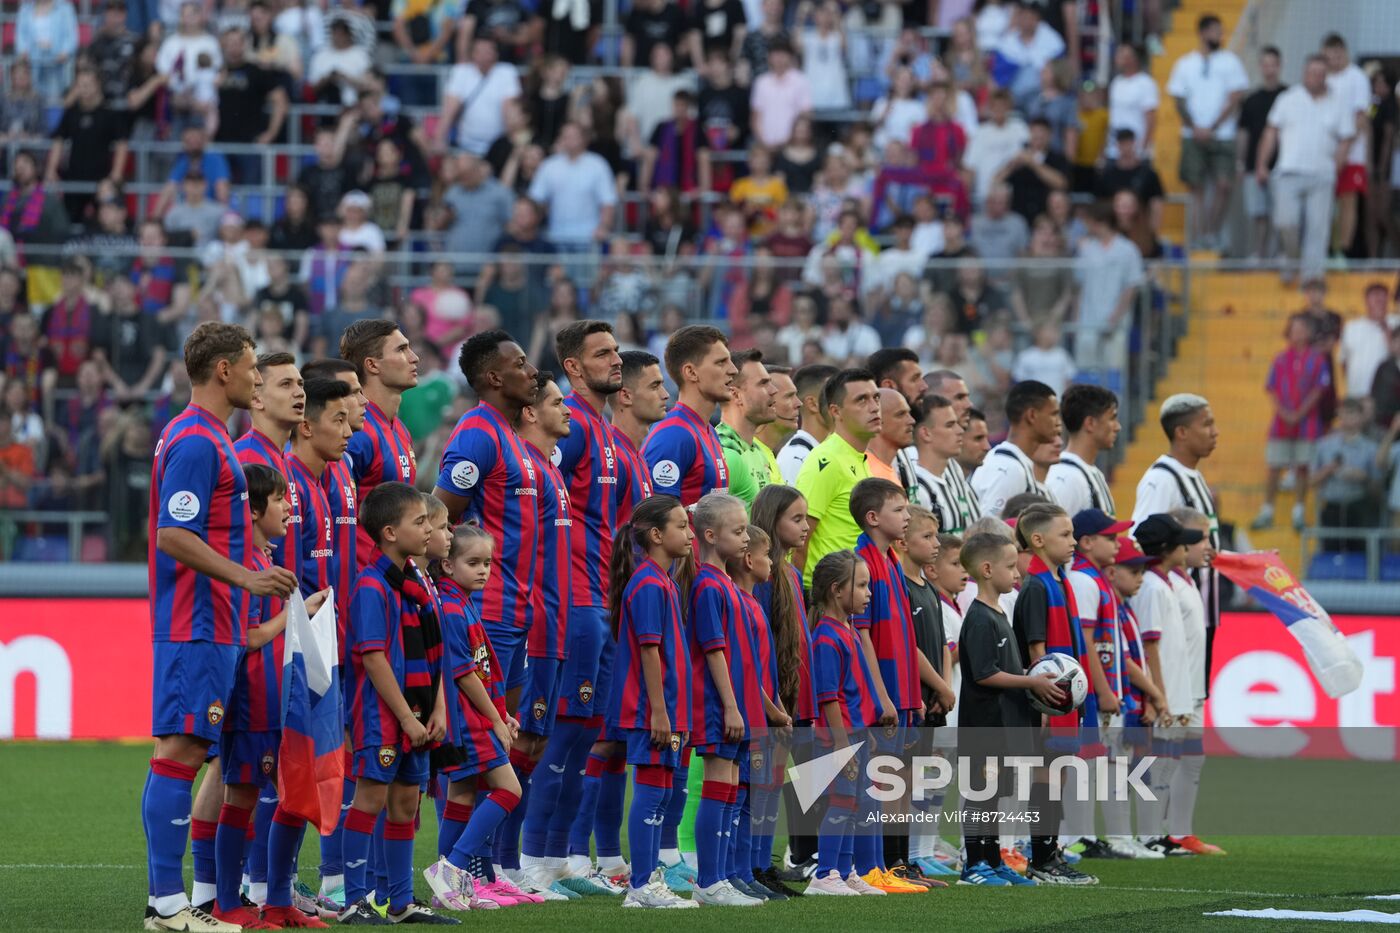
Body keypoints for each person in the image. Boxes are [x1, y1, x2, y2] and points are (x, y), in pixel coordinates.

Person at [143, 322, 297, 932]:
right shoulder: (196, 441)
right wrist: (247, 578)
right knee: (179, 754)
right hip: (197, 622)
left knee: (188, 753)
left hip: (216, 625)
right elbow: (172, 535)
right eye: (254, 367)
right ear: (224, 370)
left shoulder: (208, 436)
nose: (258, 378)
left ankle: (180, 901)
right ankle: (166, 904)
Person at [512, 321, 625, 893]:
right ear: (574, 367)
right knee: (561, 733)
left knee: (586, 734)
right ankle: (531, 856)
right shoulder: (573, 425)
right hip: (573, 600)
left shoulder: (602, 427)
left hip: (599, 598)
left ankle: (558, 858)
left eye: (616, 350)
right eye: (602, 353)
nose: (616, 360)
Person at [214, 464, 330, 928]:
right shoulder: (244, 565)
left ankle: (279, 900)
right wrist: (296, 611)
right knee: (241, 798)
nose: (288, 507)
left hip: (280, 699)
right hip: (252, 702)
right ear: (253, 509)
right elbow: (247, 637)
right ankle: (226, 903)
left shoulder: (265, 559)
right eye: (280, 500)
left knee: (296, 792)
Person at [339, 482, 455, 925]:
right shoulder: (371, 586)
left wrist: (438, 709)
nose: (429, 530)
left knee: (406, 804)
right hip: (383, 717)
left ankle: (401, 902)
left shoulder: (417, 583)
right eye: (420, 522)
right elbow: (373, 659)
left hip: (421, 716)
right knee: (369, 800)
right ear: (389, 532)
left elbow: (436, 653)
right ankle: (354, 901)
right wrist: (405, 718)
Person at [434, 329, 541, 714]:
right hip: (487, 608)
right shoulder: (477, 433)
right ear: (494, 378)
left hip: (517, 608)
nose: (533, 371)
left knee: (507, 731)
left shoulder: (509, 434)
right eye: (520, 364)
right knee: (482, 733)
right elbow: (438, 516)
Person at [421, 522, 526, 911]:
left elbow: (481, 669)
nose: (483, 570)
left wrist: (503, 713)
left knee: (462, 795)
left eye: (488, 563)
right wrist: (495, 719)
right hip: (467, 720)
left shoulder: (461, 601)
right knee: (510, 790)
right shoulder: (451, 608)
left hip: (471, 718)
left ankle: (447, 887)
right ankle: (454, 867)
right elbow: (464, 674)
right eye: (473, 562)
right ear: (448, 566)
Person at [605, 495, 698, 908]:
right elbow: (649, 651)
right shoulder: (646, 584)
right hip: (650, 711)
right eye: (681, 526)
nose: (690, 534)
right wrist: (659, 712)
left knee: (661, 793)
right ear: (657, 535)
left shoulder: (664, 581)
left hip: (667, 710)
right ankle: (641, 886)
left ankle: (647, 878)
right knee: (650, 792)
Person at [954, 531, 1061, 886]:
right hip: (984, 725)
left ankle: (993, 859)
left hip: (1005, 725)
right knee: (981, 794)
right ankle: (974, 865)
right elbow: (985, 674)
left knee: (996, 794)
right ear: (987, 570)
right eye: (1011, 566)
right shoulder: (979, 618)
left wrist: (1031, 684)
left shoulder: (1000, 612)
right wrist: (1032, 682)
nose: (1017, 573)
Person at [848, 478, 930, 893]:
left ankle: (897, 862)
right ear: (873, 518)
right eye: (899, 510)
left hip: (902, 691)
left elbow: (903, 636)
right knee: (881, 778)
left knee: (898, 777)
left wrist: (912, 693)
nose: (907, 516)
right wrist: (881, 696)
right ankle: (875, 864)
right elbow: (863, 635)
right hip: (884, 694)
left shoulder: (892, 560)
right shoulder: (862, 562)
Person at [1009, 503, 1098, 885]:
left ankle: (1049, 851)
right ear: (1038, 540)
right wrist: (1045, 705)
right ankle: (1042, 857)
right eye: (1065, 534)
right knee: (1046, 775)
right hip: (1049, 701)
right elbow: (1037, 652)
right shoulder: (1036, 586)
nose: (1073, 541)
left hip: (1063, 701)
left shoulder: (1060, 582)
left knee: (1057, 773)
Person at [681, 492, 763, 907]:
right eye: (738, 530)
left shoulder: (726, 583)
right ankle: (709, 881)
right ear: (710, 536)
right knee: (718, 784)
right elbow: (714, 651)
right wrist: (730, 706)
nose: (746, 538)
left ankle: (722, 877)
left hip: (737, 704)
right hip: (718, 706)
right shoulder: (708, 585)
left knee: (730, 787)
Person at [749, 484, 816, 889]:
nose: (806, 526)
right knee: (762, 784)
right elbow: (759, 644)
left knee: (774, 785)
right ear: (773, 522)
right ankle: (753, 867)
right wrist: (772, 701)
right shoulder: (763, 575)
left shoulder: (789, 571)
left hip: (791, 696)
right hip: (771, 699)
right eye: (797, 518)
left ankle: (763, 865)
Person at [805, 549, 881, 896]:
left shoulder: (847, 630)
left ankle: (845, 871)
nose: (869, 593)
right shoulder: (826, 637)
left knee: (852, 803)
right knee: (839, 801)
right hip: (838, 738)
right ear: (837, 590)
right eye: (862, 586)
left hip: (854, 735)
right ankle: (824, 874)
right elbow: (828, 697)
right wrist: (840, 743)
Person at [1127, 513, 1202, 858]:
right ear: (1166, 548)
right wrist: (1158, 694)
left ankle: (1154, 832)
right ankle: (1147, 834)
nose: (1186, 548)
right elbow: (1150, 644)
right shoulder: (1153, 587)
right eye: (1180, 543)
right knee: (1153, 764)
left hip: (1172, 687)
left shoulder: (1164, 583)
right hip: (1163, 690)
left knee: (1165, 763)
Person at [725, 525, 791, 901]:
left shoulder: (753, 604)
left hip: (762, 717)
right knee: (741, 796)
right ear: (749, 560)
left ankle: (746, 872)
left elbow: (764, 670)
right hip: (752, 718)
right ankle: (732, 873)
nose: (772, 562)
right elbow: (747, 672)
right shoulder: (739, 603)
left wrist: (777, 708)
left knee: (752, 797)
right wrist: (773, 712)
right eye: (767, 555)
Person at [1254, 54, 1354, 284]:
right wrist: (1262, 164)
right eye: (1311, 73)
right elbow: (1270, 133)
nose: (1315, 77)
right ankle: (1292, 260)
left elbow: (1346, 138)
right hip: (1288, 172)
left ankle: (1312, 279)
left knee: (1318, 229)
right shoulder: (1287, 99)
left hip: (1322, 175)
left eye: (1320, 73)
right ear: (1304, 73)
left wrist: (1336, 166)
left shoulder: (1338, 102)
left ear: (1326, 76)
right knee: (1284, 222)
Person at [1131, 393, 1222, 640]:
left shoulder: (1195, 476)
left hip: (1202, 609)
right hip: (1177, 614)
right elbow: (1142, 540)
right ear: (1181, 432)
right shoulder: (1161, 479)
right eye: (1207, 424)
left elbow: (1208, 545)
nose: (1215, 432)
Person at [340, 321, 419, 567]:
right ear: (372, 365)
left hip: (392, 577)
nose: (414, 357)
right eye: (401, 349)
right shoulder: (356, 432)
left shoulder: (400, 429)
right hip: (362, 576)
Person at [1166, 14, 1248, 248]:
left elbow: (1235, 96)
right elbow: (1179, 99)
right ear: (1202, 32)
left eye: (1220, 31)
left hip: (1222, 134)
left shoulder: (1230, 61)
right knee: (1196, 187)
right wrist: (1195, 128)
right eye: (1215, 31)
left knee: (1224, 185)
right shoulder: (1185, 63)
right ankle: (1199, 236)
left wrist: (1212, 127)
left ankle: (1213, 231)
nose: (1219, 35)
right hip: (1192, 135)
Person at [795, 368, 880, 586]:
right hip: (826, 594)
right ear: (836, 411)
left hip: (853, 590)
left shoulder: (859, 458)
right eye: (862, 400)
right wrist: (797, 599)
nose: (874, 407)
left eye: (876, 398)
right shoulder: (827, 460)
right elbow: (798, 538)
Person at [643, 325, 736, 508]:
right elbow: (655, 515)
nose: (733, 370)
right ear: (691, 372)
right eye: (721, 362)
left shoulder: (708, 430)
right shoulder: (674, 435)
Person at [233, 352, 305, 587]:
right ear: (256, 399)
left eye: (300, 384)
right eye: (286, 384)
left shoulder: (282, 457)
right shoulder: (247, 458)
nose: (299, 392)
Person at [1254, 314, 1330, 532]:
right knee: (1274, 466)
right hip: (1280, 425)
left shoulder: (1317, 360)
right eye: (1294, 328)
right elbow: (1271, 389)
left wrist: (1299, 413)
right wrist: (1284, 413)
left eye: (1301, 328)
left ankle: (1298, 511)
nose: (1297, 333)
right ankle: (1267, 510)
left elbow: (1319, 390)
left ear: (1308, 332)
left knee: (1303, 467)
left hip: (1308, 425)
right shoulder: (1280, 359)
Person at [972, 380, 1059, 516]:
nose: (1058, 422)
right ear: (1032, 415)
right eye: (1053, 414)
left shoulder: (1015, 463)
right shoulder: (1009, 468)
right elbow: (989, 526)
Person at [1322, 33, 1371, 257]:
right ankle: (1326, 250)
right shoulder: (1324, 79)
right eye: (1328, 57)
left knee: (1348, 202)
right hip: (1325, 155)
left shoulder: (1357, 77)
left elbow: (1361, 117)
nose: (1333, 60)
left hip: (1352, 154)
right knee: (1324, 205)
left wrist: (1344, 150)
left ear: (1344, 52)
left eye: (1337, 55)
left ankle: (1344, 251)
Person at [1310, 398, 1380, 551]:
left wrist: (1364, 478)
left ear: (1361, 417)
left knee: (1359, 556)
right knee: (1329, 554)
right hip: (1331, 508)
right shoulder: (1324, 445)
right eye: (1343, 413)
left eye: (1351, 413)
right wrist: (1329, 469)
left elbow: (1378, 488)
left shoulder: (1371, 448)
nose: (1347, 418)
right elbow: (1311, 481)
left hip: (1358, 507)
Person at [1237, 46, 1286, 259]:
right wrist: (1241, 162)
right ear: (1260, 67)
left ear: (1279, 66)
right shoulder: (1251, 100)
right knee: (1259, 213)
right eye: (1265, 65)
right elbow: (1243, 133)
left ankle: (1281, 253)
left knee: (1281, 213)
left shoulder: (1289, 96)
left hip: (1282, 166)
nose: (1269, 69)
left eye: (1273, 64)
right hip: (1253, 166)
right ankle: (1260, 252)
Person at [437, 36, 523, 157]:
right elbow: (449, 111)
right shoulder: (461, 72)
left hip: (499, 145)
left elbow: (509, 111)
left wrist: (514, 142)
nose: (484, 56)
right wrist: (439, 137)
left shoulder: (507, 72)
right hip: (466, 146)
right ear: (472, 53)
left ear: (496, 54)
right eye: (480, 51)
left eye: (488, 51)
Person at [718, 348, 779, 507]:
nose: (774, 390)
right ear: (735, 395)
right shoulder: (723, 453)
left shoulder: (758, 451)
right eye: (763, 383)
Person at [1047, 384, 1120, 515]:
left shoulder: (1090, 471)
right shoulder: (1067, 479)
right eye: (1112, 418)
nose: (1118, 427)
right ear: (1090, 423)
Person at [910, 393, 976, 536]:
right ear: (926, 433)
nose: (960, 431)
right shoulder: (919, 487)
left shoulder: (954, 473)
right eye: (950, 425)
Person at [778, 363, 837, 485]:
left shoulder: (837, 450)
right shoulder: (796, 458)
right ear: (813, 404)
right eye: (835, 395)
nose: (843, 402)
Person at [1340, 282, 1398, 400]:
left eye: (1383, 298)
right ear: (1366, 301)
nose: (1379, 302)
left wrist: (1386, 329)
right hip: (1357, 394)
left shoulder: (1396, 323)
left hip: (1388, 397)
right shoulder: (1351, 327)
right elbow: (1344, 361)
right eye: (1375, 298)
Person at [749, 38, 811, 149]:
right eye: (775, 54)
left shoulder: (801, 81)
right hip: (765, 146)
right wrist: (764, 143)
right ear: (769, 57)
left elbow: (805, 115)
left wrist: (789, 142)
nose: (779, 58)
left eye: (783, 54)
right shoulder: (761, 82)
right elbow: (755, 116)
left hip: (792, 146)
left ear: (790, 57)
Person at [1107, 43, 1157, 159]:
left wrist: (1142, 149)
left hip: (1135, 151)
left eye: (1121, 55)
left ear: (1133, 59)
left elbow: (1150, 119)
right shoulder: (1116, 82)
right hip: (1114, 150)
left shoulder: (1145, 83)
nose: (1117, 58)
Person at [866, 388, 918, 497]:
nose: (911, 420)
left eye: (909, 413)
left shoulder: (892, 471)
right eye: (900, 414)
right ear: (876, 420)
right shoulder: (865, 472)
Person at [1011, 322, 1077, 396]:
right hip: (1032, 401)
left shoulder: (1062, 355)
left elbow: (1068, 382)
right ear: (1038, 333)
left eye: (1055, 331)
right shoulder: (1025, 356)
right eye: (1050, 331)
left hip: (1057, 401)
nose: (1055, 335)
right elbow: (1018, 382)